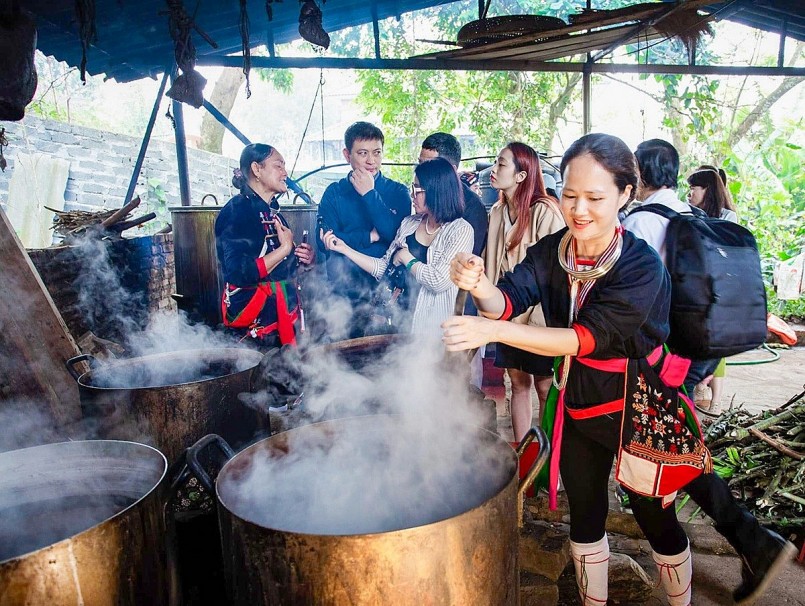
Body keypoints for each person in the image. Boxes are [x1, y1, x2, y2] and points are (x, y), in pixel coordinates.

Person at [443, 133, 696, 605]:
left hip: (638, 404)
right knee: (585, 512)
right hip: (580, 402)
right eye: (570, 195)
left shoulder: (640, 266)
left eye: (595, 198)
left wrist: (492, 333)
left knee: (654, 517)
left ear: (625, 195)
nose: (579, 209)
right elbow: (507, 302)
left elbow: (580, 339)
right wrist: (479, 286)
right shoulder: (553, 250)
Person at [623, 139, 795, 606]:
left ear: (639, 173)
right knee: (675, 444)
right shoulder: (688, 213)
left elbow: (637, 299)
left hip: (663, 357)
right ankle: (753, 540)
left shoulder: (642, 221)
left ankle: (751, 540)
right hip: (696, 351)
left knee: (665, 449)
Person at [322, 157, 472, 335]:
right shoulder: (410, 223)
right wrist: (345, 248)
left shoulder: (460, 230)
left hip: (434, 329)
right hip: (401, 321)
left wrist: (406, 258)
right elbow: (384, 268)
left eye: (417, 189)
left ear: (436, 192)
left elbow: (438, 281)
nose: (412, 195)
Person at [486, 142, 565, 441]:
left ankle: (547, 464)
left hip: (538, 317)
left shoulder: (545, 212)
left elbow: (554, 275)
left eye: (501, 164)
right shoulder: (496, 211)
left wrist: (528, 318)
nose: (494, 170)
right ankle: (524, 456)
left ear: (521, 175)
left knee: (545, 386)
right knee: (517, 382)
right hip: (506, 312)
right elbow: (492, 265)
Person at [316, 121, 410, 337]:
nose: (371, 161)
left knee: (387, 359)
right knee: (342, 357)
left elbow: (396, 236)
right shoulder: (334, 192)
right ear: (347, 155)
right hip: (343, 291)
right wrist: (369, 236)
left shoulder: (397, 191)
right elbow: (325, 242)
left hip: (385, 292)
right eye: (363, 153)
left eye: (377, 153)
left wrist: (370, 194)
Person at [215, 143, 315, 347]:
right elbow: (238, 273)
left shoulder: (273, 213)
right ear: (256, 169)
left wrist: (304, 259)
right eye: (278, 166)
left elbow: (282, 269)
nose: (285, 173)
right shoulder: (237, 211)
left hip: (281, 319)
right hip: (255, 328)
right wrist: (285, 249)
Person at [419, 132, 489, 387]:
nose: (422, 173)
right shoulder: (425, 202)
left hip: (459, 306)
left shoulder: (470, 208)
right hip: (427, 311)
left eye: (429, 165)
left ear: (448, 169)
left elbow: (458, 267)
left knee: (459, 383)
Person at [686, 166, 738, 414]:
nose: (690, 193)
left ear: (706, 190)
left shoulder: (727, 217)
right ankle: (700, 394)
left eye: (694, 188)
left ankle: (715, 401)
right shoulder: (691, 214)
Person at [418, 132, 488, 258]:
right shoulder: (420, 194)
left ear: (452, 170)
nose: (422, 171)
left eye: (430, 166)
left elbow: (464, 261)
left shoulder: (473, 208)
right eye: (420, 164)